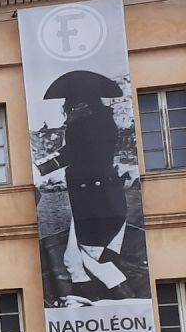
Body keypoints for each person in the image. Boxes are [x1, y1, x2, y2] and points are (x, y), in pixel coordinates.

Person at [35, 70, 147, 303]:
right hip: (99, 195)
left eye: (68, 98)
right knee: (72, 261)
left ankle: (127, 299)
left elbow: (71, 154)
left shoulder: (84, 123)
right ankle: (84, 295)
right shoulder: (102, 119)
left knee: (93, 259)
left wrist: (38, 169)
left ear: (78, 98)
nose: (65, 104)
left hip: (92, 200)